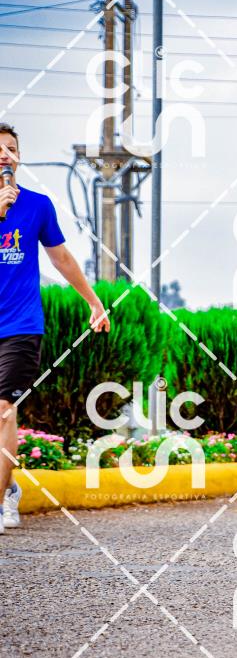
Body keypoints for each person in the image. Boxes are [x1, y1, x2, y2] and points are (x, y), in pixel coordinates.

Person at [0, 124, 110, 532]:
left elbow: (60, 257)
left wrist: (93, 302)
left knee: (4, 410)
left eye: (11, 148)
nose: (5, 155)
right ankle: (10, 487)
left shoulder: (38, 206)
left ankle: (0, 501)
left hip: (20, 325)